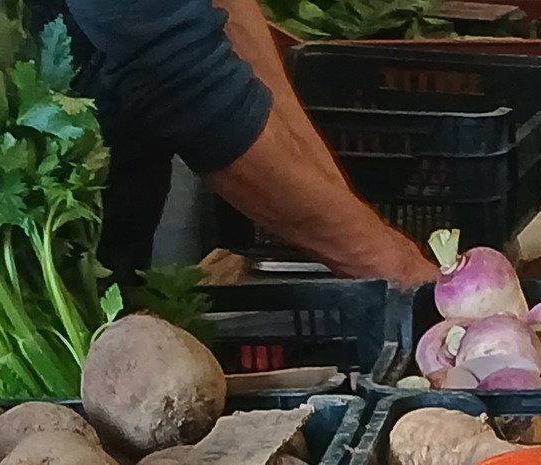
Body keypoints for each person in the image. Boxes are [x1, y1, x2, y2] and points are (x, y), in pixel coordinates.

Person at [38, 0, 438, 287]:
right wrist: (399, 271)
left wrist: (340, 197)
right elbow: (185, 79)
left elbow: (226, 13)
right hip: (43, 260)